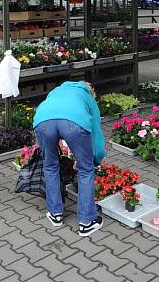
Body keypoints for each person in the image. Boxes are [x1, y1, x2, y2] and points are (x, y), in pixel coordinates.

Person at [32, 81, 106, 237]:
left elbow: (55, 116)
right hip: (73, 123)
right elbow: (96, 132)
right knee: (86, 170)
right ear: (90, 90)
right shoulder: (87, 96)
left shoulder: (56, 90)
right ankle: (87, 222)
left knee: (50, 165)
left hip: (42, 121)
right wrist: (97, 158)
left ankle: (55, 213)